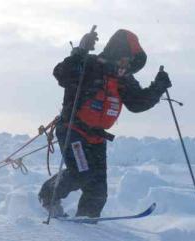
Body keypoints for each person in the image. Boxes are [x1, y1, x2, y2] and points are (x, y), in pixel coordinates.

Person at [38, 29, 172, 218]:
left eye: (131, 64)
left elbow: (137, 103)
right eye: (125, 60)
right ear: (117, 53)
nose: (127, 66)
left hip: (97, 137)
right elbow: (62, 74)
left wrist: (158, 87)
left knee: (98, 190)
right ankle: (48, 195)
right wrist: (80, 52)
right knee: (81, 173)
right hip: (73, 129)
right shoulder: (89, 65)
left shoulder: (123, 79)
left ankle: (87, 224)